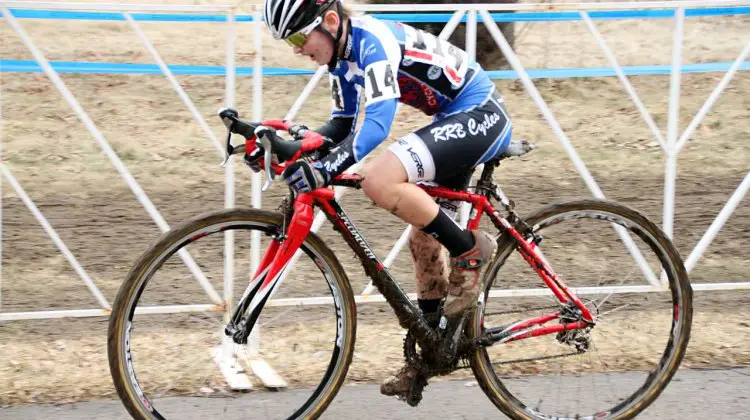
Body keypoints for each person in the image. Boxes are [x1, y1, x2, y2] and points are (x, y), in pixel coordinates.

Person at [261, 0, 512, 397]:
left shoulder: (370, 42)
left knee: (379, 179)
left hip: (478, 113)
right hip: (452, 120)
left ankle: (471, 251)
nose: (296, 49)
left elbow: (377, 125)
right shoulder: (341, 59)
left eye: (297, 36)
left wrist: (326, 169)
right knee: (423, 240)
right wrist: (292, 147)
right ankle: (432, 352)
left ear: (329, 21)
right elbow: (342, 126)